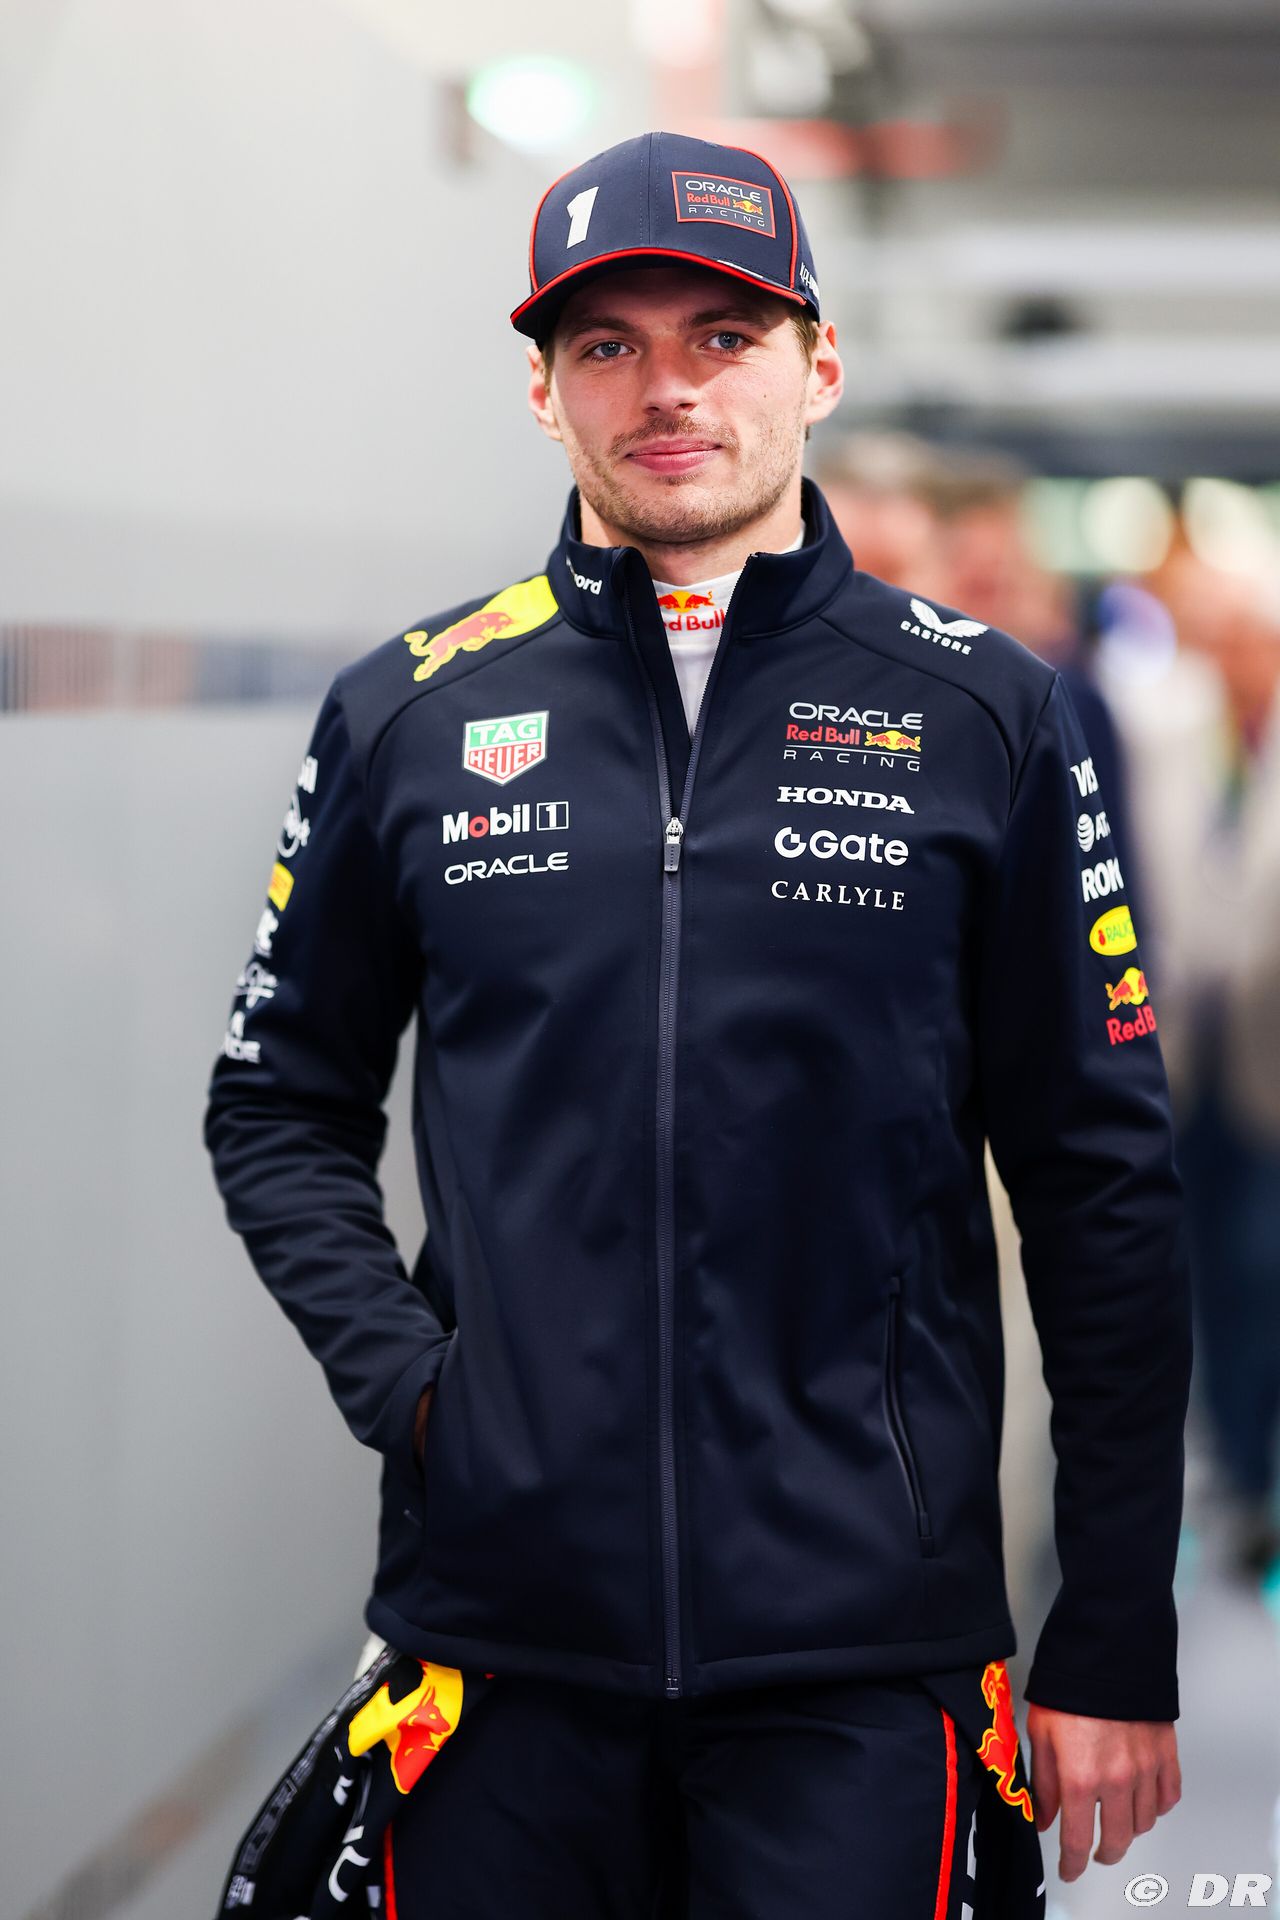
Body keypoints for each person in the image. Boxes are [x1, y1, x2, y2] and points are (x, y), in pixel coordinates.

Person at [204, 130, 1191, 1917]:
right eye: (609, 344)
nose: (667, 389)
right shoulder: (410, 714)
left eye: (723, 336)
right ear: (545, 389)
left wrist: (1114, 1625)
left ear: (819, 365)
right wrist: (418, 1395)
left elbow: (1103, 1182)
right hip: (500, 1651)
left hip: (869, 1662)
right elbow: (276, 1100)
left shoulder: (987, 716)